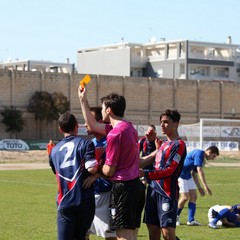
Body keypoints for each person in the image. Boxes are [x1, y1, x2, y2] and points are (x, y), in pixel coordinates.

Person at [78, 87, 146, 240]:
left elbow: (109, 171)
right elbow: (94, 125)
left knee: (123, 236)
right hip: (136, 186)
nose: (101, 113)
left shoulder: (115, 134)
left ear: (108, 110)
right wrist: (83, 100)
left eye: (102, 109)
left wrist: (95, 170)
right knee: (132, 234)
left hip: (123, 188)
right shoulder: (129, 127)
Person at [49, 112, 99, 240]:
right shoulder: (86, 144)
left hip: (64, 200)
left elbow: (58, 172)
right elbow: (92, 168)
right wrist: (98, 171)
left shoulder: (54, 150)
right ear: (77, 126)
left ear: (60, 129)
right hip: (84, 200)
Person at [139, 109, 186, 240]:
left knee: (167, 234)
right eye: (161, 122)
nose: (162, 125)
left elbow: (170, 170)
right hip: (152, 191)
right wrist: (150, 143)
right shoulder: (162, 144)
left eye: (166, 122)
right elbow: (150, 162)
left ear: (176, 124)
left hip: (167, 193)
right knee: (153, 230)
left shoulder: (179, 145)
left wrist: (146, 174)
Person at [84, 107, 117, 240]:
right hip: (90, 195)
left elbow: (115, 168)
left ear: (99, 122)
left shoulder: (111, 140)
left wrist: (97, 175)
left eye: (89, 120)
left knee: (110, 235)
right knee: (82, 232)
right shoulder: (90, 143)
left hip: (108, 194)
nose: (86, 124)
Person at [176, 146, 220, 226]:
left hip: (188, 175)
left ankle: (191, 220)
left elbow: (194, 173)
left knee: (194, 196)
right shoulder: (199, 153)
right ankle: (175, 216)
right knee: (185, 197)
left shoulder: (202, 159)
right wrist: (205, 186)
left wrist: (199, 187)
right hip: (180, 174)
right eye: (213, 156)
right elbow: (200, 170)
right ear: (209, 152)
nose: (213, 158)